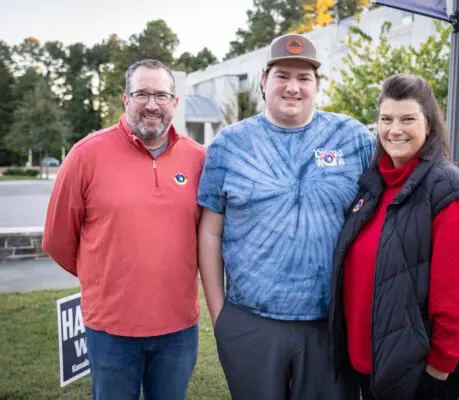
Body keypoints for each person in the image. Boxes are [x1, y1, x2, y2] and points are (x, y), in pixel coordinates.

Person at [197, 33, 375, 400]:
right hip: (251, 321)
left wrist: (448, 179)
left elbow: (399, 187)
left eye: (304, 77)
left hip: (332, 324)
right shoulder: (228, 145)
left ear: (317, 85)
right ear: (264, 81)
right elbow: (210, 232)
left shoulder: (353, 138)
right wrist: (221, 317)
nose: (292, 87)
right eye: (282, 75)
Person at [42, 59, 206, 400]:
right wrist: (105, 274)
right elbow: (58, 240)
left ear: (175, 103)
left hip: (178, 329)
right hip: (111, 330)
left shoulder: (199, 159)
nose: (151, 105)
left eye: (161, 95)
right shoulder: (86, 155)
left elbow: (208, 236)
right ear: (125, 100)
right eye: (141, 94)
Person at [328, 74, 459, 400]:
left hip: (418, 373)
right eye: (386, 119)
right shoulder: (375, 184)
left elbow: (457, 295)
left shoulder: (450, 193)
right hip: (373, 363)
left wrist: (439, 368)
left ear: (430, 125)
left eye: (408, 119)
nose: (395, 130)